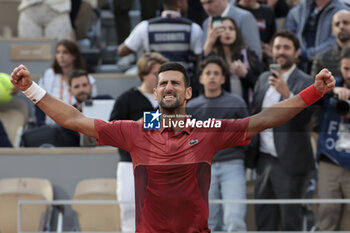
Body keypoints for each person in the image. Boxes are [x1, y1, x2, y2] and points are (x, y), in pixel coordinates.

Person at [10, 61, 334, 232]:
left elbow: (263, 119)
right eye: (162, 83)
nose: (167, 87)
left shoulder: (208, 130)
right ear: (155, 93)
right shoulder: (133, 131)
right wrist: (32, 90)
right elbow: (75, 120)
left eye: (175, 83)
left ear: (187, 93)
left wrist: (314, 93)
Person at [250, 30, 315, 231]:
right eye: (277, 47)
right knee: (264, 219)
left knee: (290, 221)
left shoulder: (306, 82)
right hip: (263, 160)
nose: (281, 52)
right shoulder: (262, 79)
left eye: (286, 48)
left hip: (289, 162)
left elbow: (307, 119)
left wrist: (287, 94)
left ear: (296, 52)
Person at [187, 56, 248, 231]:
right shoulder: (191, 107)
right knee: (209, 222)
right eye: (208, 73)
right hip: (203, 168)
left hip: (233, 166)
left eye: (216, 73)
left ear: (223, 78)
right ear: (201, 78)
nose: (212, 77)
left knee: (234, 220)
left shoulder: (236, 102)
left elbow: (249, 134)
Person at [109, 52, 168, 232]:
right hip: (131, 164)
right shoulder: (127, 99)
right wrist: (136, 126)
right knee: (129, 212)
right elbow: (112, 131)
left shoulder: (171, 100)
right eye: (155, 74)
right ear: (143, 74)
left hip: (164, 164)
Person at [314, 46, 350, 231]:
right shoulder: (331, 84)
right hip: (330, 158)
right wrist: (332, 92)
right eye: (345, 69)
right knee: (326, 219)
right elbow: (310, 99)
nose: (349, 74)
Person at [203, 17, 263, 104]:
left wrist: (246, 75)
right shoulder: (212, 57)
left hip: (247, 110)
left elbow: (262, 86)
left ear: (236, 32)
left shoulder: (249, 55)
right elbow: (201, 81)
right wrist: (209, 42)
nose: (227, 32)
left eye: (231, 28)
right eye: (223, 29)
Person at [37, 39, 97, 126]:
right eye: (58, 52)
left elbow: (92, 106)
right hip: (52, 128)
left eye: (65, 52)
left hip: (78, 127)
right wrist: (41, 127)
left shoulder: (87, 79)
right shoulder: (48, 75)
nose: (61, 56)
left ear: (74, 56)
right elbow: (39, 102)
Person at [284, 0, 349, 73]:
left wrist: (305, 54)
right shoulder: (301, 8)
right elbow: (289, 33)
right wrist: (294, 53)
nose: (341, 26)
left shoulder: (343, 11)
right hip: (300, 66)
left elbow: (334, 42)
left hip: (326, 66)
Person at [236, 0, 276, 69]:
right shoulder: (234, 11)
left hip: (263, 58)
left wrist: (269, 47)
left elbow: (273, 35)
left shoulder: (267, 11)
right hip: (241, 58)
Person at [311, 10, 350, 78]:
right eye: (337, 24)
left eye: (345, 23)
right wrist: (333, 89)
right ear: (332, 29)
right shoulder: (321, 59)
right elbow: (315, 85)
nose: (341, 26)